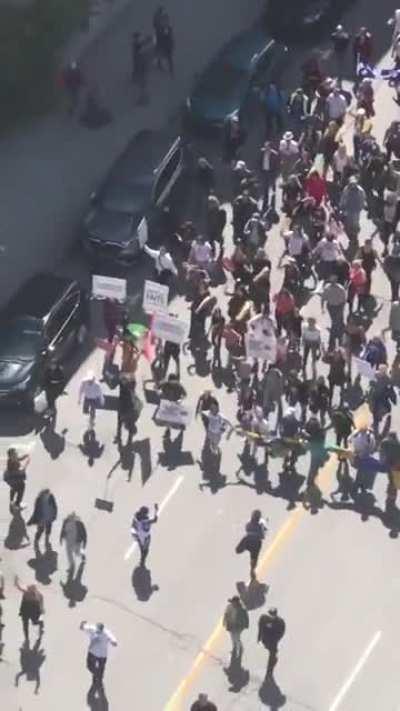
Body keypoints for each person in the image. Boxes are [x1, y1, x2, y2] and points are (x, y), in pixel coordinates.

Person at [80, 621, 117, 686]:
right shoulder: (92, 628)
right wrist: (82, 624)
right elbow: (82, 627)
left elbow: (114, 640)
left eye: (100, 631)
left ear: (102, 630)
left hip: (102, 655)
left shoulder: (107, 633)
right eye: (97, 631)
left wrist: (113, 642)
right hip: (92, 652)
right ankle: (96, 674)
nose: (98, 633)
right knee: (89, 666)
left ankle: (98, 678)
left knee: (101, 668)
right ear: (96, 628)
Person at [236, 510, 268, 581]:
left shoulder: (256, 525)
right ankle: (252, 570)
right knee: (253, 558)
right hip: (253, 542)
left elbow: (261, 535)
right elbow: (262, 536)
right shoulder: (257, 525)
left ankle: (252, 571)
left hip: (252, 541)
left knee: (253, 559)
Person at [258, 608, 286, 678]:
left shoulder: (280, 622)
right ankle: (273, 658)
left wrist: (276, 639)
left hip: (273, 640)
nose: (272, 616)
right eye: (270, 614)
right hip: (266, 639)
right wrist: (259, 637)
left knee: (272, 653)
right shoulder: (264, 618)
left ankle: (270, 669)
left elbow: (281, 632)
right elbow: (260, 627)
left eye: (273, 615)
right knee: (268, 648)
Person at [15, 576, 44, 643]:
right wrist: (16, 581)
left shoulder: (38, 595)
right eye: (29, 588)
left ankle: (40, 625)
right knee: (25, 624)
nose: (29, 589)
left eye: (31, 588)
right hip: (26, 610)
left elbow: (41, 602)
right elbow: (18, 587)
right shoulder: (26, 592)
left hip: (33, 610)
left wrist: (41, 609)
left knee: (34, 622)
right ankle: (27, 637)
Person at [223, 595, 249, 660]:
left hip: (238, 626)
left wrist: (246, 624)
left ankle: (240, 649)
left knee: (237, 638)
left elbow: (246, 617)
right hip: (231, 625)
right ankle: (234, 649)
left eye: (235, 602)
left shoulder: (242, 608)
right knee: (232, 638)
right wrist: (224, 622)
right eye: (233, 602)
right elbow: (226, 615)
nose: (234, 603)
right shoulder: (229, 607)